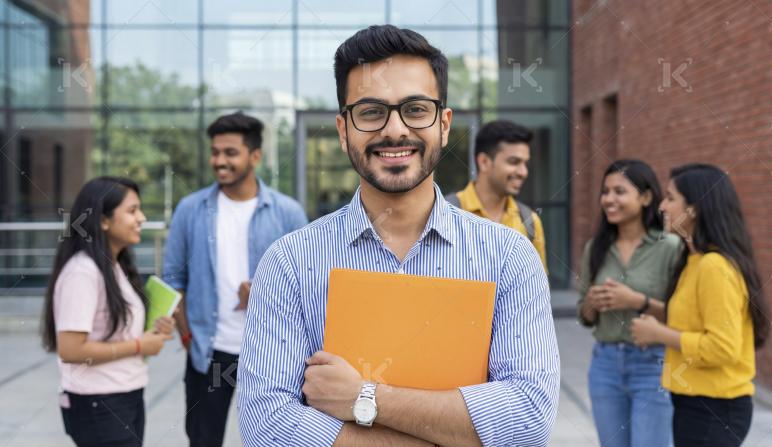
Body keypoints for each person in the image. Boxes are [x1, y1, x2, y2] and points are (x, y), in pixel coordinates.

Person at [237, 25, 559, 447]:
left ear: (444, 124)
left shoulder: (509, 255)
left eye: (415, 109)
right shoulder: (290, 262)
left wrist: (363, 399)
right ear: (342, 129)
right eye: (370, 112)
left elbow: (527, 419)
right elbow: (267, 427)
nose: (394, 130)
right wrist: (453, 432)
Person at [162, 112, 308, 447]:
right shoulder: (190, 210)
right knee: (203, 440)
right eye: (215, 152)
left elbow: (309, 285)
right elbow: (173, 279)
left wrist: (264, 290)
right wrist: (186, 337)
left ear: (254, 156)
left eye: (230, 152)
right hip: (210, 353)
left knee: (276, 440)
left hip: (273, 354)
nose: (219, 161)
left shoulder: (287, 212)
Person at [631, 164, 770, 447]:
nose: (662, 206)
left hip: (715, 407)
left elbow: (723, 348)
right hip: (694, 401)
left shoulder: (714, 267)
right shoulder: (693, 260)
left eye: (670, 197)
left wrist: (659, 334)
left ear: (694, 208)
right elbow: (692, 320)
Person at [41, 176, 175, 447]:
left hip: (124, 396)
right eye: (132, 210)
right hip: (99, 403)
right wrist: (139, 344)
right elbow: (71, 349)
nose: (142, 218)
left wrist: (151, 334)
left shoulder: (115, 266)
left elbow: (114, 334)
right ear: (103, 220)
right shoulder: (82, 272)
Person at [576, 160, 680, 447]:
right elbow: (584, 316)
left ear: (646, 197)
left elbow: (683, 317)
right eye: (605, 191)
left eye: (619, 191)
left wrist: (636, 301)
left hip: (654, 363)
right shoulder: (594, 248)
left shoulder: (670, 247)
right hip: (605, 364)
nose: (609, 199)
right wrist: (593, 303)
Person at [447, 120, 547, 271]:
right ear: (484, 162)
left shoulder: (530, 222)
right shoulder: (444, 213)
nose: (523, 172)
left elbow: (539, 289)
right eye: (514, 162)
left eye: (525, 163)